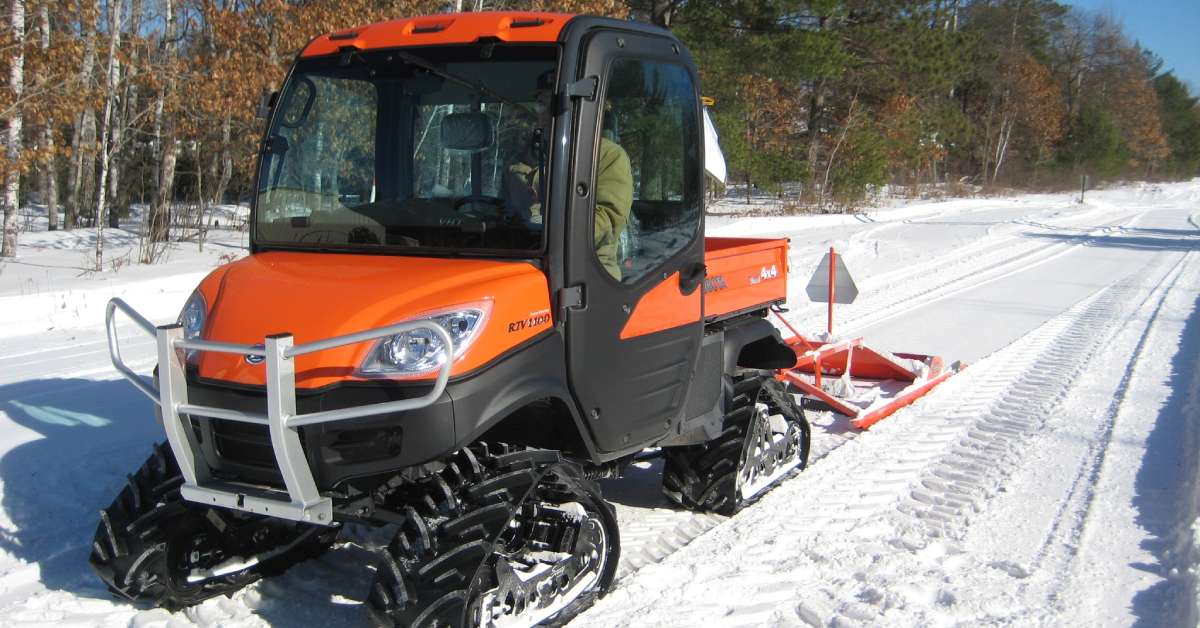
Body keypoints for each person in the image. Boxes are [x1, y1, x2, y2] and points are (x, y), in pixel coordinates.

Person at [506, 73, 633, 280]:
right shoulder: (522, 156)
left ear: (574, 108)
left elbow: (607, 220)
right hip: (521, 262)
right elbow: (504, 207)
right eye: (541, 104)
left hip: (586, 272)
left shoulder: (607, 155)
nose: (544, 113)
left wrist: (546, 227)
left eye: (551, 104)